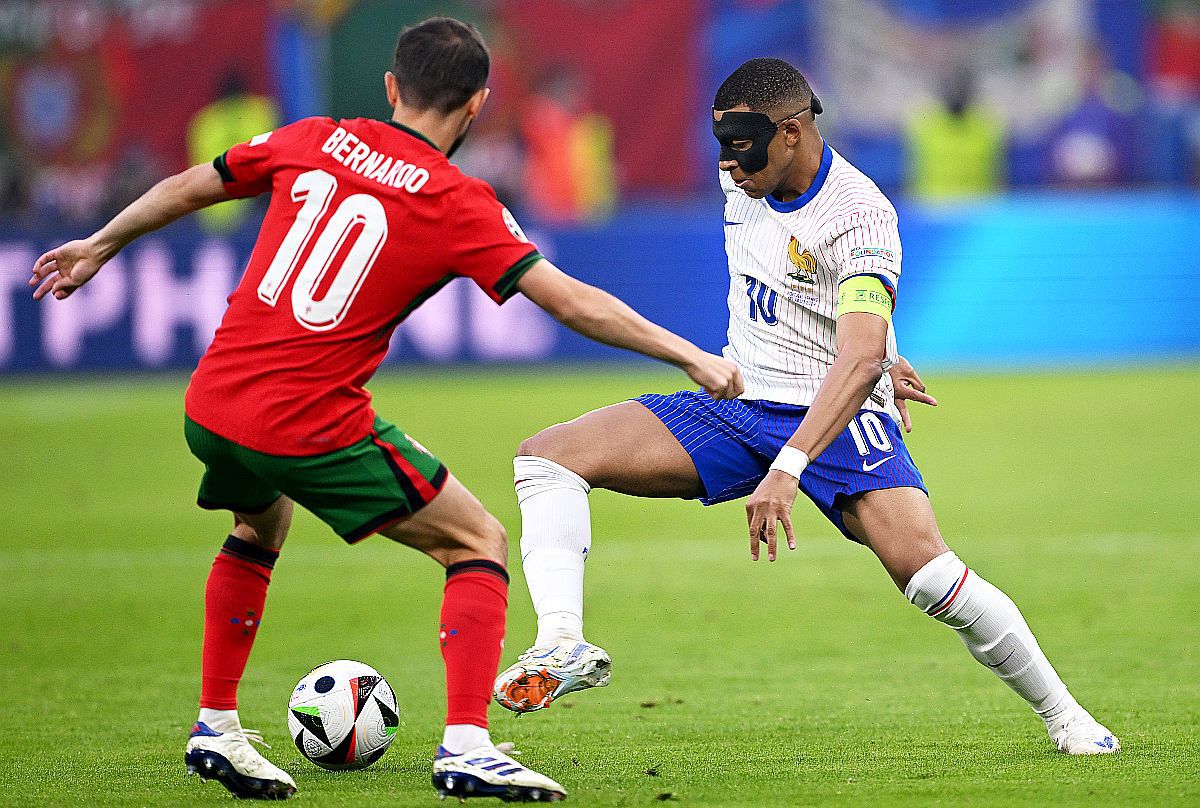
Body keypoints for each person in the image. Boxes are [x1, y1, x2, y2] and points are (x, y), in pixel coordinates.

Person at [29, 17, 741, 803]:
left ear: (393, 87)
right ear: (477, 105)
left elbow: (191, 184)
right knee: (477, 540)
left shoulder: (313, 138)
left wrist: (99, 244)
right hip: (304, 418)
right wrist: (689, 354)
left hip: (214, 400)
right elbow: (569, 300)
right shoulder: (456, 200)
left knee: (257, 525)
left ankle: (217, 724)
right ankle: (468, 745)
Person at [494, 58, 1120, 757]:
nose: (728, 166)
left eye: (743, 148)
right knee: (546, 458)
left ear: (791, 132)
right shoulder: (745, 180)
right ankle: (562, 643)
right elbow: (832, 312)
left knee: (929, 576)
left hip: (837, 419)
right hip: (740, 401)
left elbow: (857, 355)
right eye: (722, 147)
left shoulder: (859, 215)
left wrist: (795, 459)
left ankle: (1069, 719)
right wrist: (886, 351)